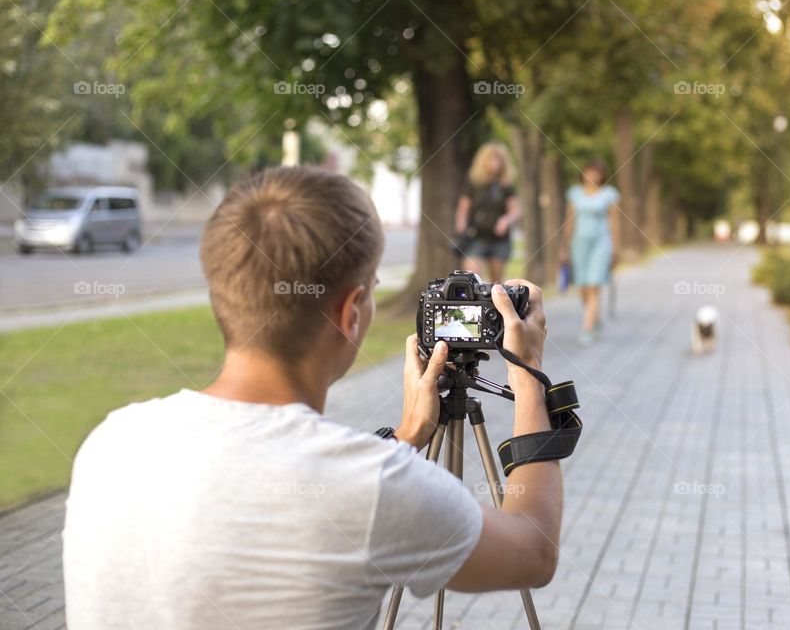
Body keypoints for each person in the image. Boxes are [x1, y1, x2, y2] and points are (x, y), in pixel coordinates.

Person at [62, 167, 562, 629]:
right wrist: (526, 373)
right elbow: (534, 552)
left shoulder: (110, 443)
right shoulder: (376, 488)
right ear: (351, 314)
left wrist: (407, 436)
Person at [560, 159, 621, 345]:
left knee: (594, 285)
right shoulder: (575, 194)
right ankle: (595, 319)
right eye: (589, 171)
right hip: (579, 244)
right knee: (582, 287)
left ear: (602, 175)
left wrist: (616, 248)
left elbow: (615, 223)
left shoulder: (609, 194)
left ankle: (586, 329)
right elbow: (569, 222)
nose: (593, 176)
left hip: (601, 243)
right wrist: (563, 248)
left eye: (597, 172)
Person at [455, 141, 521, 283]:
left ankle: (492, 305)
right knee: (471, 275)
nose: (495, 163)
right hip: (476, 236)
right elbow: (463, 209)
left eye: (498, 159)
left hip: (499, 239)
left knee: (496, 281)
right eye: (491, 158)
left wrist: (506, 220)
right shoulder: (474, 182)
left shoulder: (505, 184)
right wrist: (461, 231)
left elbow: (515, 210)